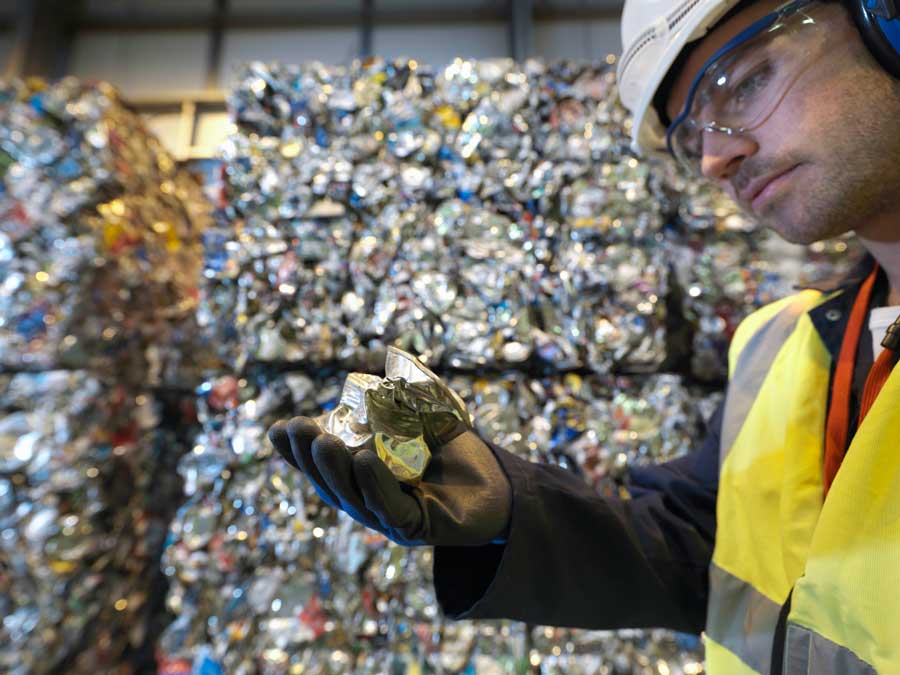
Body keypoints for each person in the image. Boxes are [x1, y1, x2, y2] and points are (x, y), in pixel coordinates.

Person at [267, 1, 900, 672]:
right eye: (692, 136)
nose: (716, 158)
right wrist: (514, 509)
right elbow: (702, 545)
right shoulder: (778, 343)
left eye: (745, 81)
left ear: (884, 22)